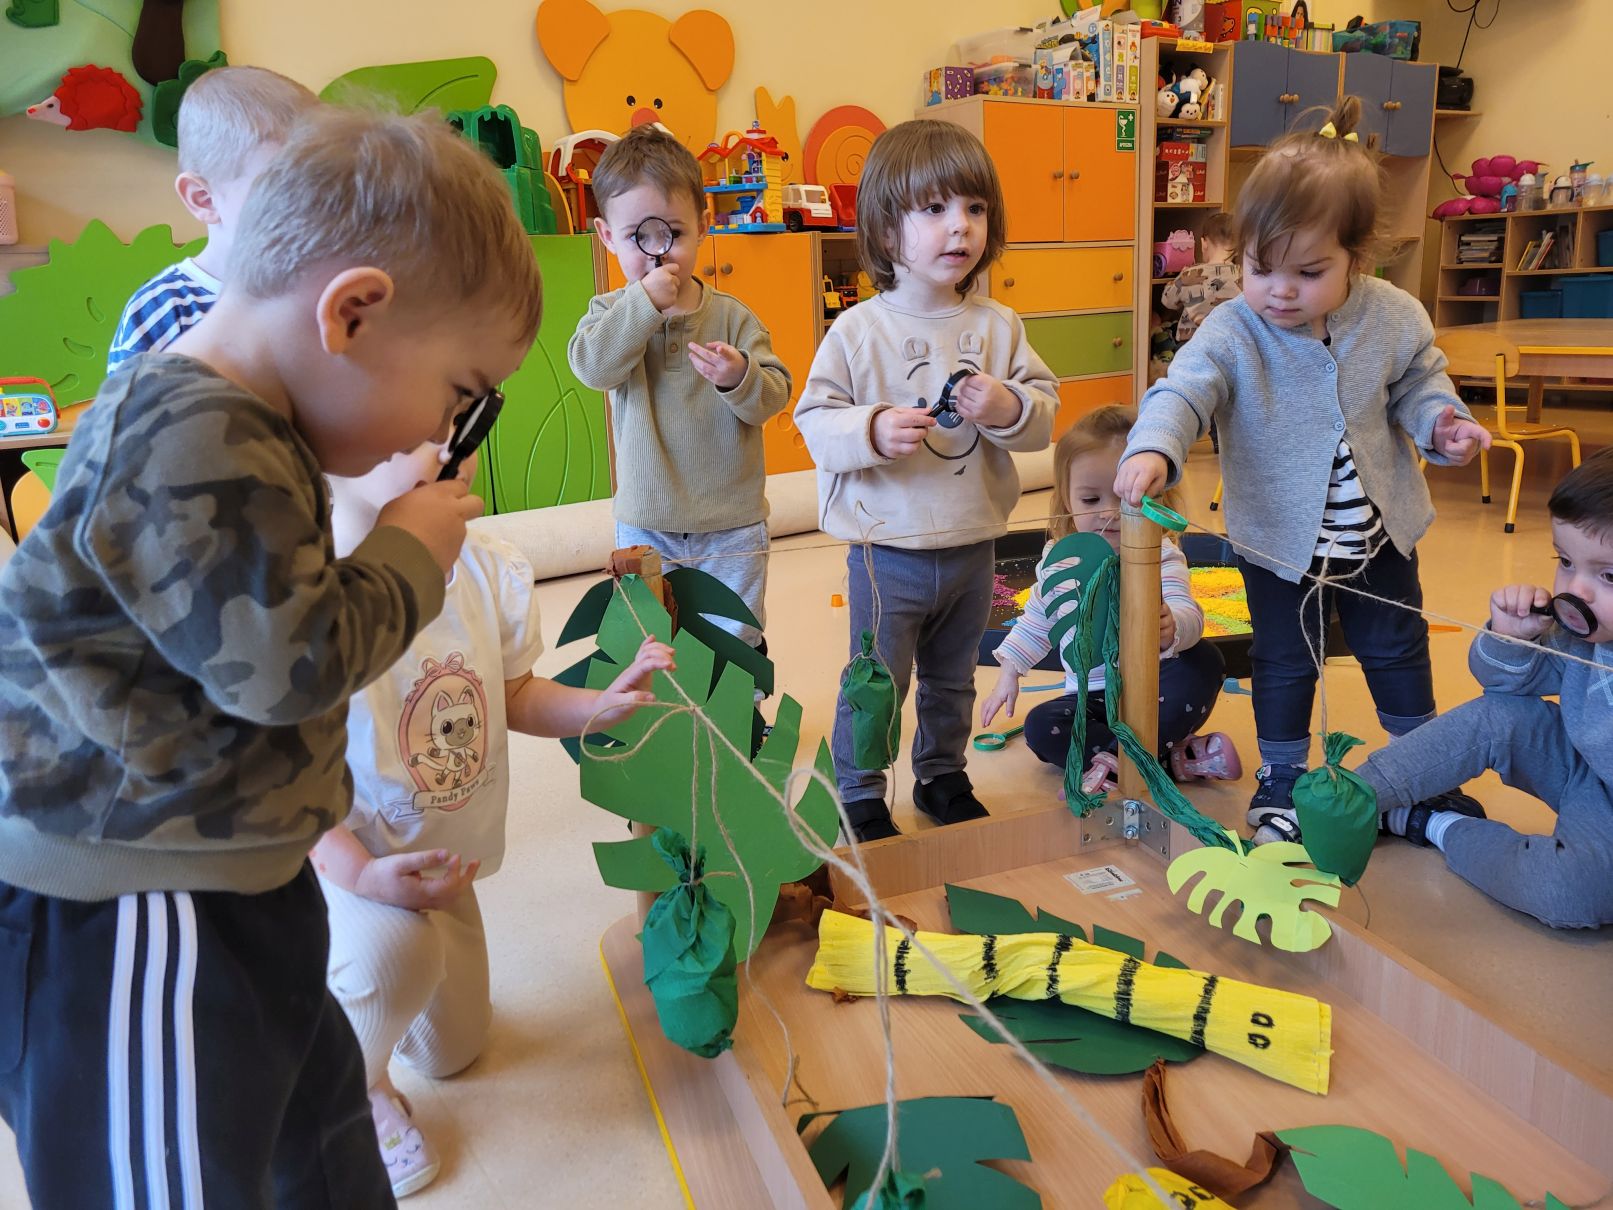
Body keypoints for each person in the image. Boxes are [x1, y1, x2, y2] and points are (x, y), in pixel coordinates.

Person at [0, 105, 543, 1207]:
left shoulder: (253, 425)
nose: (444, 438)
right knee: (178, 1176)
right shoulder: (192, 429)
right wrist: (408, 551)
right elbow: (289, 666)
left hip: (239, 865)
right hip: (133, 896)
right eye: (460, 397)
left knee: (317, 1147)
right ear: (352, 313)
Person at [1114, 96, 1490, 845]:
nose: (1279, 290)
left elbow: (1420, 383)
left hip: (1381, 538)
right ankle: (1282, 778)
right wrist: (1152, 446)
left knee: (1397, 650)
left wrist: (1441, 424)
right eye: (1260, 268)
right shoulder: (1232, 328)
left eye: (1308, 271)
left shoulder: (1392, 315)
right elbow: (1183, 390)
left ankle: (1419, 774)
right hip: (1279, 545)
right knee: (1285, 662)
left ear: (1358, 257)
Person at [314, 442, 674, 1196]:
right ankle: (348, 1085)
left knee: (453, 1053)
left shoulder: (486, 568)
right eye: (418, 422)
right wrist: (365, 877)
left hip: (440, 863)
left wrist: (597, 706)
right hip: (339, 863)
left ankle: (366, 1003)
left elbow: (514, 696)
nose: (451, 442)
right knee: (387, 956)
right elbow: (287, 791)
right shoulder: (309, 594)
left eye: (462, 411)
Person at [794, 119, 1057, 843]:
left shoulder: (999, 327)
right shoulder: (857, 331)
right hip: (886, 553)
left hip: (972, 546)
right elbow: (814, 420)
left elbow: (1041, 418)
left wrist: (1008, 406)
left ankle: (942, 774)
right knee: (875, 681)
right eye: (935, 208)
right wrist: (872, 429)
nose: (960, 226)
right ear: (886, 232)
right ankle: (859, 790)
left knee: (953, 680)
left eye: (974, 208)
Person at [1358, 450, 1613, 929]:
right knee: (1499, 714)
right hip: (1585, 776)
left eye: (1608, 575)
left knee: (1568, 892)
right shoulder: (1584, 636)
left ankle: (1433, 823)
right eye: (1564, 561)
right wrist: (1511, 636)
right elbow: (1503, 684)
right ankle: (1350, 798)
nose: (1575, 591)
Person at [568, 124, 791, 650]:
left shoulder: (734, 318)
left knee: (735, 634)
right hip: (646, 522)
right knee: (647, 639)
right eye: (636, 237)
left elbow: (773, 397)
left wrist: (740, 377)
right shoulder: (610, 313)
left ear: (703, 226)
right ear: (606, 236)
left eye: (672, 232)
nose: (657, 253)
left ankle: (741, 700)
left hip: (732, 523)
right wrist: (643, 305)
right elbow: (593, 369)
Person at [981, 406, 1238, 793]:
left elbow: (1189, 614)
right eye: (1090, 499)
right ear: (1066, 500)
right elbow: (1037, 621)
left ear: (1158, 497)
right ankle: (1169, 759)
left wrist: (1174, 627)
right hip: (1093, 699)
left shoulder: (1162, 555)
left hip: (1156, 691)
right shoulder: (1061, 560)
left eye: (1126, 498)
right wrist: (1009, 672)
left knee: (1205, 660)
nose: (1110, 514)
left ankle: (1122, 761)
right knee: (1041, 726)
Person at [106, 65, 318, 372]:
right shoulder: (163, 309)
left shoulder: (320, 289)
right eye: (281, 189)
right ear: (203, 199)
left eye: (321, 182)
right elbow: (127, 401)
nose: (312, 204)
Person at [1159, 210, 1241, 346]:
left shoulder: (1191, 274)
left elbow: (1168, 301)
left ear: (1204, 243)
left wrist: (1176, 281)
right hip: (1229, 345)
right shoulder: (1243, 275)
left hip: (1191, 345)